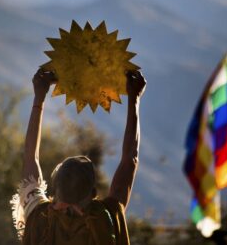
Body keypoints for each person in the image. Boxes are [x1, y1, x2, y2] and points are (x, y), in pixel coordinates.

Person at [11, 68, 146, 245]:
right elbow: (130, 159)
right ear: (93, 193)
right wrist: (134, 99)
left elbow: (30, 158)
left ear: (55, 191)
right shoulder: (107, 219)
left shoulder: (40, 217)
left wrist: (39, 98)